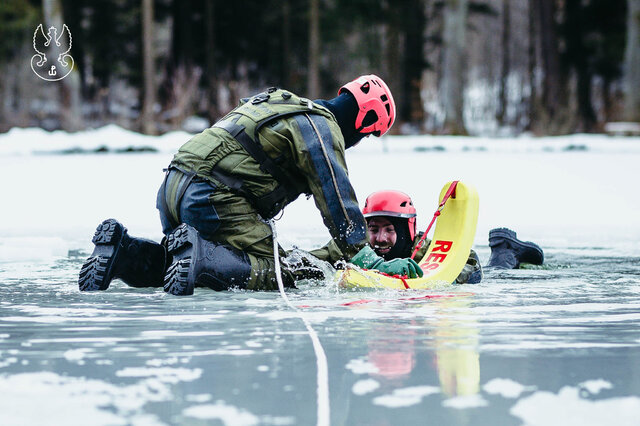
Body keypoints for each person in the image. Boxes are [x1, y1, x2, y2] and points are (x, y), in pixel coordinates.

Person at [79, 75, 423, 296]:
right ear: (363, 120)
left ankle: (123, 254)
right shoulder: (321, 126)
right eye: (364, 136)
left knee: (178, 262)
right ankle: (202, 257)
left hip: (173, 184)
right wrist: (367, 259)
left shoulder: (280, 103)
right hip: (213, 193)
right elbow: (336, 197)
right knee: (278, 272)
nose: (357, 142)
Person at [359, 190, 544, 284]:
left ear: (406, 230)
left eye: (389, 230)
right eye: (374, 230)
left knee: (496, 272)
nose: (381, 238)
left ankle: (506, 251)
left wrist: (443, 276)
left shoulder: (425, 249)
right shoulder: (359, 248)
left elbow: (470, 262)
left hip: (491, 274)